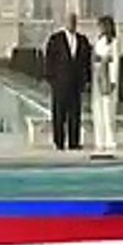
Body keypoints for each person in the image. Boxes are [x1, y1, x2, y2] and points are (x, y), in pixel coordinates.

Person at [44, 12, 91, 151]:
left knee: (75, 115)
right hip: (60, 84)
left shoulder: (82, 40)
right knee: (59, 114)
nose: (72, 23)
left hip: (76, 84)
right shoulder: (55, 39)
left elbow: (86, 62)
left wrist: (86, 80)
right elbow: (49, 61)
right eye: (70, 21)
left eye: (74, 21)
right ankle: (59, 142)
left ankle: (74, 142)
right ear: (64, 22)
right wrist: (52, 80)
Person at [90, 15, 119, 157]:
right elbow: (95, 60)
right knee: (98, 111)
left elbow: (115, 62)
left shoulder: (113, 42)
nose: (100, 28)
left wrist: (113, 81)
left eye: (102, 25)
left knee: (108, 112)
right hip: (98, 78)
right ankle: (100, 140)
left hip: (108, 79)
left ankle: (110, 141)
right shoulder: (99, 42)